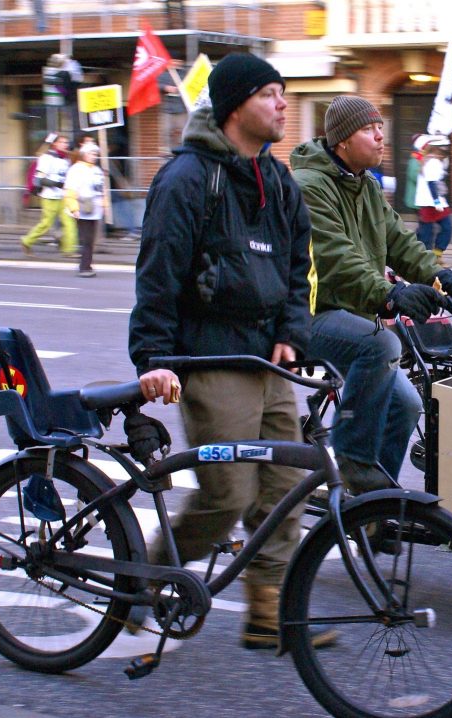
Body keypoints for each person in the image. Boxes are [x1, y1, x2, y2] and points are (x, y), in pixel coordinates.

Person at [128, 53, 331, 650]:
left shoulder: (277, 179)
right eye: (271, 93)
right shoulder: (188, 178)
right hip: (210, 358)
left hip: (268, 361)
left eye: (283, 93)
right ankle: (149, 571)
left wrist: (292, 333)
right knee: (229, 493)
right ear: (238, 104)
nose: (283, 104)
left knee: (285, 489)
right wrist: (154, 357)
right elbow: (158, 273)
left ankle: (267, 611)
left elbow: (299, 265)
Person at [289, 96, 452, 493]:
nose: (380, 136)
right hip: (311, 313)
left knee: (407, 404)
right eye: (368, 129)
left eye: (380, 126)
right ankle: (354, 461)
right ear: (341, 141)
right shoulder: (310, 187)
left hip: (354, 314)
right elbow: (336, 259)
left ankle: (376, 503)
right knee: (379, 347)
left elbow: (401, 243)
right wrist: (391, 295)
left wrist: (445, 278)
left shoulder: (366, 187)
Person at [20, 134, 77, 258]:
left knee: (69, 222)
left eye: (66, 142)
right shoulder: (46, 158)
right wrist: (57, 184)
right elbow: (39, 179)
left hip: (63, 196)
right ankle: (27, 241)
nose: (65, 145)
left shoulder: (66, 159)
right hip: (49, 196)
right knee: (46, 224)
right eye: (62, 142)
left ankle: (69, 250)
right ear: (55, 144)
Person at [63, 142, 105, 278]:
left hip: (95, 210)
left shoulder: (97, 170)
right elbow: (70, 190)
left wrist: (104, 205)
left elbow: (101, 190)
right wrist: (74, 208)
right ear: (84, 154)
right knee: (86, 240)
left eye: (96, 154)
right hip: (82, 209)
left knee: (90, 240)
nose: (94, 157)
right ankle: (84, 267)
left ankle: (87, 264)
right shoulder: (76, 169)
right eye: (92, 154)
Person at [413, 134, 452, 263]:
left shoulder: (433, 161)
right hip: (430, 203)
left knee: (436, 230)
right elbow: (431, 183)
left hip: (434, 202)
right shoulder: (432, 162)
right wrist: (436, 201)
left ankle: (435, 255)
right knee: (426, 235)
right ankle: (426, 258)